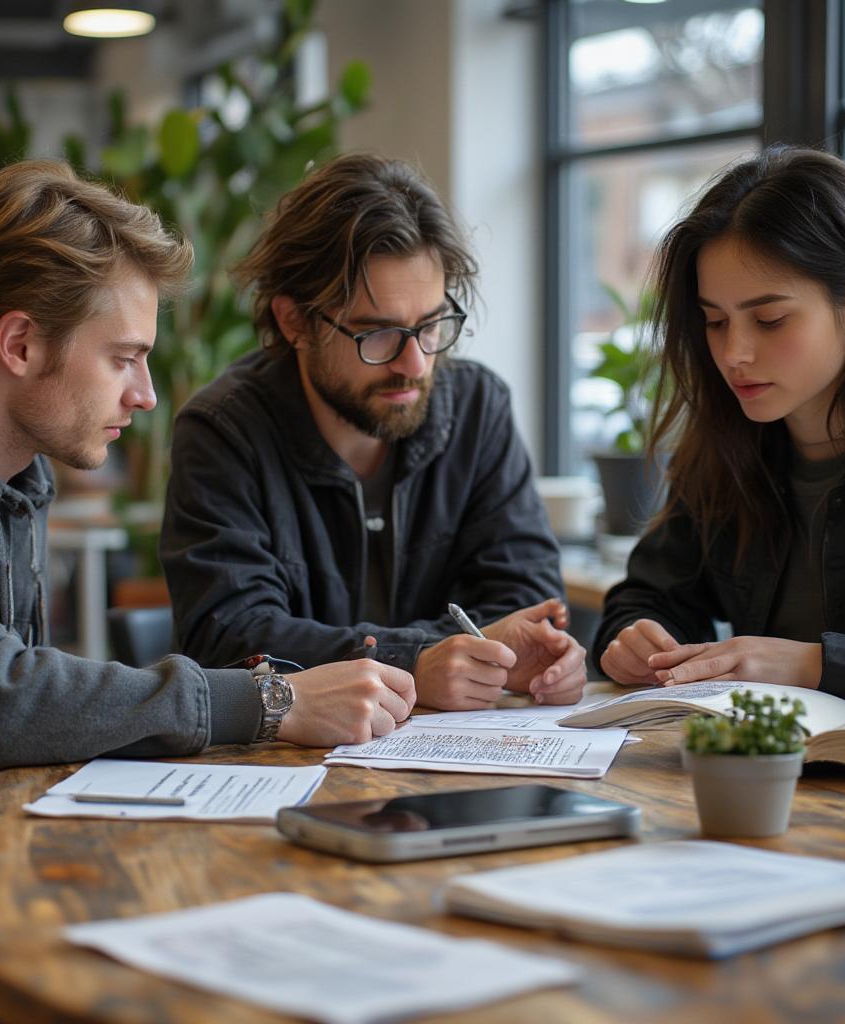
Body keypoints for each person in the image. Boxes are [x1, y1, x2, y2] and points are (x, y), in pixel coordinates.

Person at [0, 161, 416, 929]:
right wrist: (269, 702)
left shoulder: (13, 468)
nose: (145, 394)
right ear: (21, 344)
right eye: (123, 357)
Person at [160, 154, 587, 711]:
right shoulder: (224, 432)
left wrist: (519, 654)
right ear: (295, 322)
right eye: (379, 334)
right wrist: (416, 662)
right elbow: (231, 636)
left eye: (432, 325)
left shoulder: (479, 409)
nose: (414, 363)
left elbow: (525, 604)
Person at [595, 144, 845, 714]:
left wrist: (811, 663)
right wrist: (639, 636)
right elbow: (649, 592)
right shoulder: (728, 446)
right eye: (715, 321)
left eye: (770, 319)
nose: (734, 353)